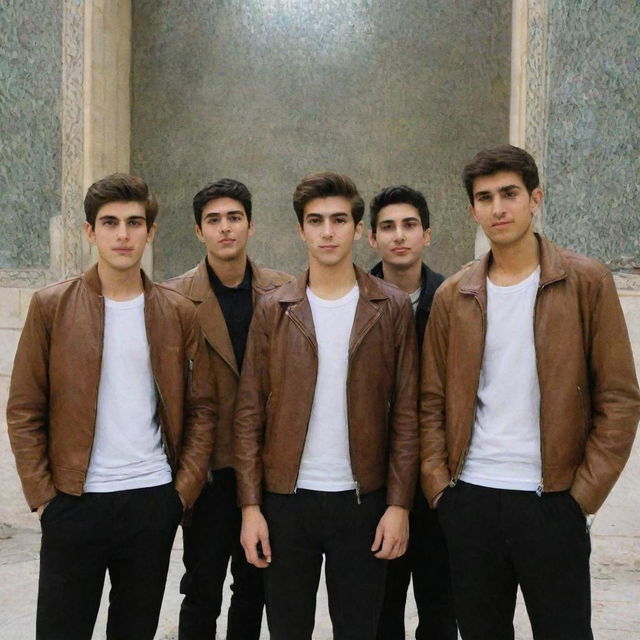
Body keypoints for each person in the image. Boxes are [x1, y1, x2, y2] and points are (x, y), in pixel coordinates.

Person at [420, 145, 640, 639]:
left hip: (552, 501)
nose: (498, 208)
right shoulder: (454, 295)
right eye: (484, 197)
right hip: (471, 498)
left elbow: (620, 398)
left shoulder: (586, 281)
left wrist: (581, 496)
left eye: (509, 194)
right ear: (472, 209)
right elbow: (429, 400)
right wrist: (441, 490)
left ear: (534, 198)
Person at [6, 173, 215, 640]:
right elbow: (24, 408)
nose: (122, 235)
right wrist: (43, 498)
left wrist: (179, 494)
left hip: (151, 502)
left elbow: (202, 410)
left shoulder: (178, 312)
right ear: (89, 231)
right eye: (110, 222)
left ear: (151, 231)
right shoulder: (51, 307)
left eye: (134, 222)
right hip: (74, 503)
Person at [234, 172, 419, 639]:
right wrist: (251, 506)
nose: (328, 231)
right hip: (286, 501)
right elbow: (250, 413)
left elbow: (407, 415)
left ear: (359, 229)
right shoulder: (274, 308)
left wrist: (398, 505)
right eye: (316, 221)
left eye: (340, 220)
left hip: (362, 501)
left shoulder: (391, 307)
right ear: (301, 230)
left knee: (360, 629)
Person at [164, 178, 292, 639]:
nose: (225, 229)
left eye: (234, 218)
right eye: (213, 220)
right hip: (210, 470)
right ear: (199, 232)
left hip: (266, 468)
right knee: (202, 586)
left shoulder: (285, 292)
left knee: (256, 586)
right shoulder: (174, 298)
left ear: (251, 225)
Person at [368, 185, 456, 640]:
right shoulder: (354, 301)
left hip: (443, 481)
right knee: (380, 612)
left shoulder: (456, 300)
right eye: (387, 227)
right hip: (378, 484)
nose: (399, 236)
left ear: (427, 235)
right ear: (371, 238)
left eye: (409, 226)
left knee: (441, 611)